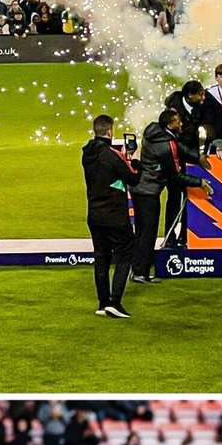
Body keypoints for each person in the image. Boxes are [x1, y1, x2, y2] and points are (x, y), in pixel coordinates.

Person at [131, 109, 212, 284]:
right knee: (148, 232)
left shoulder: (154, 132)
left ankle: (137, 268)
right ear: (169, 124)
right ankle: (140, 272)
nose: (181, 124)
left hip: (140, 188)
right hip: (148, 191)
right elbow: (175, 175)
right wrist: (199, 182)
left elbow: (179, 147)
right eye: (177, 122)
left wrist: (197, 157)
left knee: (142, 231)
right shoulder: (165, 146)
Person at [81, 113, 140, 319]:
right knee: (125, 253)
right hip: (114, 213)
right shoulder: (111, 155)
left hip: (94, 213)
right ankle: (115, 302)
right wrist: (132, 159)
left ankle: (102, 302)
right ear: (109, 131)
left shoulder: (87, 153)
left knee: (101, 257)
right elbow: (132, 177)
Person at [162, 81, 210, 246]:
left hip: (190, 158)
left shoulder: (196, 108)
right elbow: (174, 142)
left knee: (190, 199)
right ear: (189, 96)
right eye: (200, 95)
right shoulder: (173, 113)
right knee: (175, 199)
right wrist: (196, 157)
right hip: (175, 160)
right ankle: (170, 238)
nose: (204, 98)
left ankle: (185, 236)